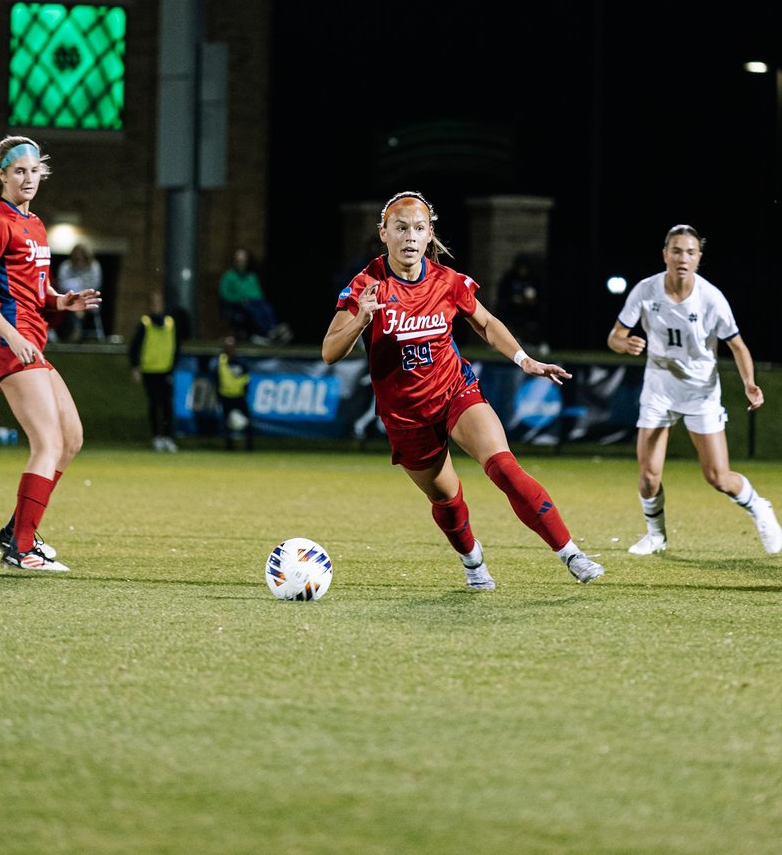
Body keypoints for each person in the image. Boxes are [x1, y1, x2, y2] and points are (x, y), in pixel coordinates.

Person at [321, 189, 605, 588]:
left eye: (418, 228)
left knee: (504, 467)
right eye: (400, 228)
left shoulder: (447, 281)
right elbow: (330, 352)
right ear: (383, 233)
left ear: (429, 233)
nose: (410, 237)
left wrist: (524, 360)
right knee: (447, 501)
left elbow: (486, 323)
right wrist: (361, 319)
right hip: (406, 416)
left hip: (456, 391)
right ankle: (473, 561)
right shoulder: (367, 285)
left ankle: (571, 553)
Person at [606, 223, 782, 556]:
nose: (682, 258)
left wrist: (749, 383)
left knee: (718, 477)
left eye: (690, 252)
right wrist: (622, 343)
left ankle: (760, 507)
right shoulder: (646, 290)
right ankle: (656, 535)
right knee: (648, 476)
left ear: (699, 258)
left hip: (700, 392)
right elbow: (614, 335)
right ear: (665, 254)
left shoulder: (711, 298)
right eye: (676, 250)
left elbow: (739, 346)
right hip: (658, 390)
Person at [0, 135, 102, 571]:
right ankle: (22, 547)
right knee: (47, 441)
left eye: (34, 170)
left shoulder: (34, 223)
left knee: (71, 438)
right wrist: (12, 335)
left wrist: (61, 301)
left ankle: (16, 531)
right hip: (5, 341)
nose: (28, 178)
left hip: (31, 339)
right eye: (19, 171)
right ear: (2, 175)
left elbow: (37, 289)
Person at [129, 288, 179, 452]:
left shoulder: (171, 323)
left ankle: (169, 438)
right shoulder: (145, 323)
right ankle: (157, 437)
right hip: (150, 370)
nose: (156, 305)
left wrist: (174, 365)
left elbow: (176, 347)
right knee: (154, 404)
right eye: (153, 303)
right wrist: (135, 367)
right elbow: (135, 347)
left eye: (159, 302)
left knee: (167, 405)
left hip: (166, 370)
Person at [218, 247, 292, 345]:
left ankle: (273, 329)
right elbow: (225, 294)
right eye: (239, 260)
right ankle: (268, 332)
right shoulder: (228, 276)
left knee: (265, 305)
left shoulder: (252, 276)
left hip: (254, 302)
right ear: (235, 261)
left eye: (243, 260)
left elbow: (258, 293)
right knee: (251, 307)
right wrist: (239, 299)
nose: (241, 263)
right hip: (237, 304)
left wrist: (255, 300)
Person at [210, 334, 254, 451]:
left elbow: (246, 378)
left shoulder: (241, 362)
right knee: (226, 424)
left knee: (248, 422)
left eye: (231, 346)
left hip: (239, 396)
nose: (229, 349)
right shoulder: (219, 362)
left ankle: (249, 446)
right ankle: (229, 447)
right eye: (227, 346)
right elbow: (215, 376)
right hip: (226, 396)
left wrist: (245, 391)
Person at [55, 242, 104, 341]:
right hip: (69, 297)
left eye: (82, 257)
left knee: (79, 304)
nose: (79, 260)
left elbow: (95, 285)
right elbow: (62, 284)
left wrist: (79, 289)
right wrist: (78, 288)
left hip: (88, 297)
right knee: (73, 304)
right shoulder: (66, 266)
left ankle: (76, 331)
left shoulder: (94, 267)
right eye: (77, 257)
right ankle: (74, 331)